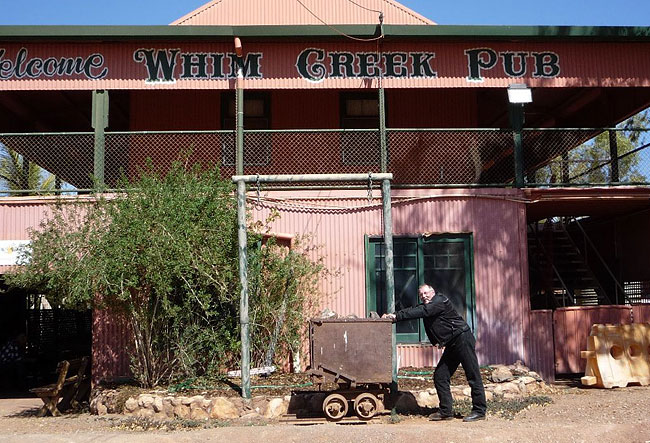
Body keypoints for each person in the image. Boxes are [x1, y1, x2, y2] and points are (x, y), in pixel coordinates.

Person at [383, 284, 487, 422]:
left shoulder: (439, 301)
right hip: (452, 343)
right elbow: (416, 309)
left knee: (472, 374)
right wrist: (394, 315)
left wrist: (396, 318)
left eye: (426, 293)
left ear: (433, 292)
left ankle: (479, 411)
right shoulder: (428, 305)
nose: (424, 296)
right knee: (440, 376)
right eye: (421, 294)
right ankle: (446, 412)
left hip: (462, 338)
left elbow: (423, 311)